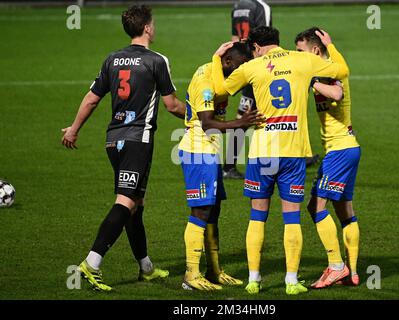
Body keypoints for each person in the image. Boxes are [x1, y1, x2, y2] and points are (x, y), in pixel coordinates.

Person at [212, 26, 349, 295]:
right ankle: (291, 281)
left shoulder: (251, 67)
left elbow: (219, 90)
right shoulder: (303, 60)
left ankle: (253, 279)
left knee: (257, 217)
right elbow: (342, 71)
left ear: (257, 47)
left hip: (262, 152)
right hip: (294, 152)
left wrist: (218, 59)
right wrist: (330, 46)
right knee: (292, 219)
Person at [61, 5, 185, 291]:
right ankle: (91, 264)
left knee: (136, 205)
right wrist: (200, 116)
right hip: (137, 140)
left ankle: (146, 267)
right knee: (126, 202)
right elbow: (171, 105)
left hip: (113, 140)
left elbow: (92, 99)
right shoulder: (157, 61)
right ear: (147, 29)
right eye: (153, 24)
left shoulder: (112, 59)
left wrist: (74, 129)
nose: (154, 27)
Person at [179, 42, 264, 291]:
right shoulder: (206, 79)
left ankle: (213, 271)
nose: (242, 73)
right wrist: (241, 122)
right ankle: (191, 275)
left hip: (209, 152)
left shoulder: (219, 75)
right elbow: (207, 123)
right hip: (198, 150)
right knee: (201, 212)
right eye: (240, 67)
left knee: (213, 212)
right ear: (228, 63)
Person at [295, 27, 361, 288]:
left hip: (340, 150)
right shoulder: (326, 68)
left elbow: (337, 93)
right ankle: (352, 272)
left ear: (314, 50)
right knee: (344, 210)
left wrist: (311, 82)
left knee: (315, 206)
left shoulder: (327, 71)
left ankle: (337, 266)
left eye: (300, 51)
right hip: (345, 148)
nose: (298, 56)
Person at [223, 0, 272, 179]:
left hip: (243, 65)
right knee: (279, 109)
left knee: (243, 114)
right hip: (259, 69)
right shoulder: (261, 7)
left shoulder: (237, 6)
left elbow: (234, 40)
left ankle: (228, 166)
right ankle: (292, 156)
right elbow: (266, 41)